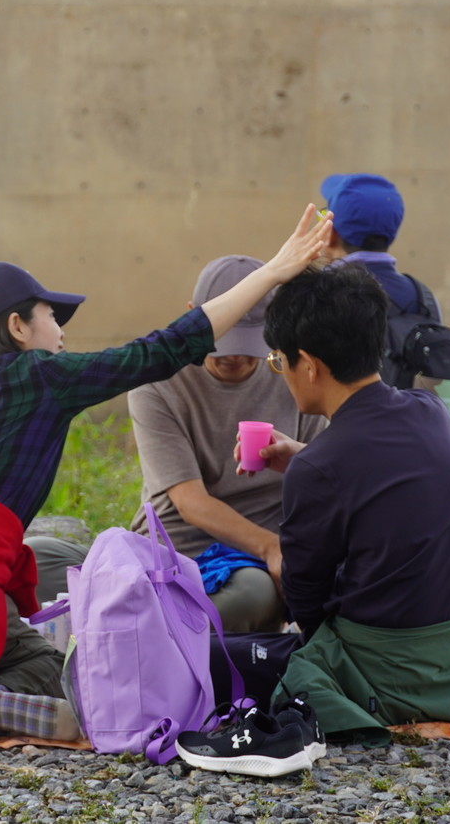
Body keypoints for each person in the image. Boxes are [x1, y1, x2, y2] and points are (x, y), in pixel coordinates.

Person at [0, 205, 336, 739]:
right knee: (75, 673)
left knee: (32, 558)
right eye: (52, 316)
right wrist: (273, 271)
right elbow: (162, 349)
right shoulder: (40, 376)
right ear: (17, 326)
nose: (60, 331)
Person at [249, 265, 450, 745]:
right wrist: (304, 458)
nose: (282, 374)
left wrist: (325, 652)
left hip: (388, 670)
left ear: (310, 365)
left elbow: (305, 597)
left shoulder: (321, 466)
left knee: (235, 657)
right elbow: (388, 475)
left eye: (280, 361)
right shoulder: (430, 411)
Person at [128, 255, 326, 633]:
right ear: (193, 316)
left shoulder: (293, 374)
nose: (233, 355)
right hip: (183, 549)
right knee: (45, 555)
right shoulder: (158, 383)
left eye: (247, 343)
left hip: (269, 551)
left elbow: (325, 473)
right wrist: (271, 548)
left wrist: (298, 550)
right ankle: (156, 633)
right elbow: (189, 502)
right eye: (221, 339)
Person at [318, 173, 448, 390]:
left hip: (344, 412)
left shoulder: (317, 293)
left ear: (331, 233)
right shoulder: (423, 298)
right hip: (409, 411)